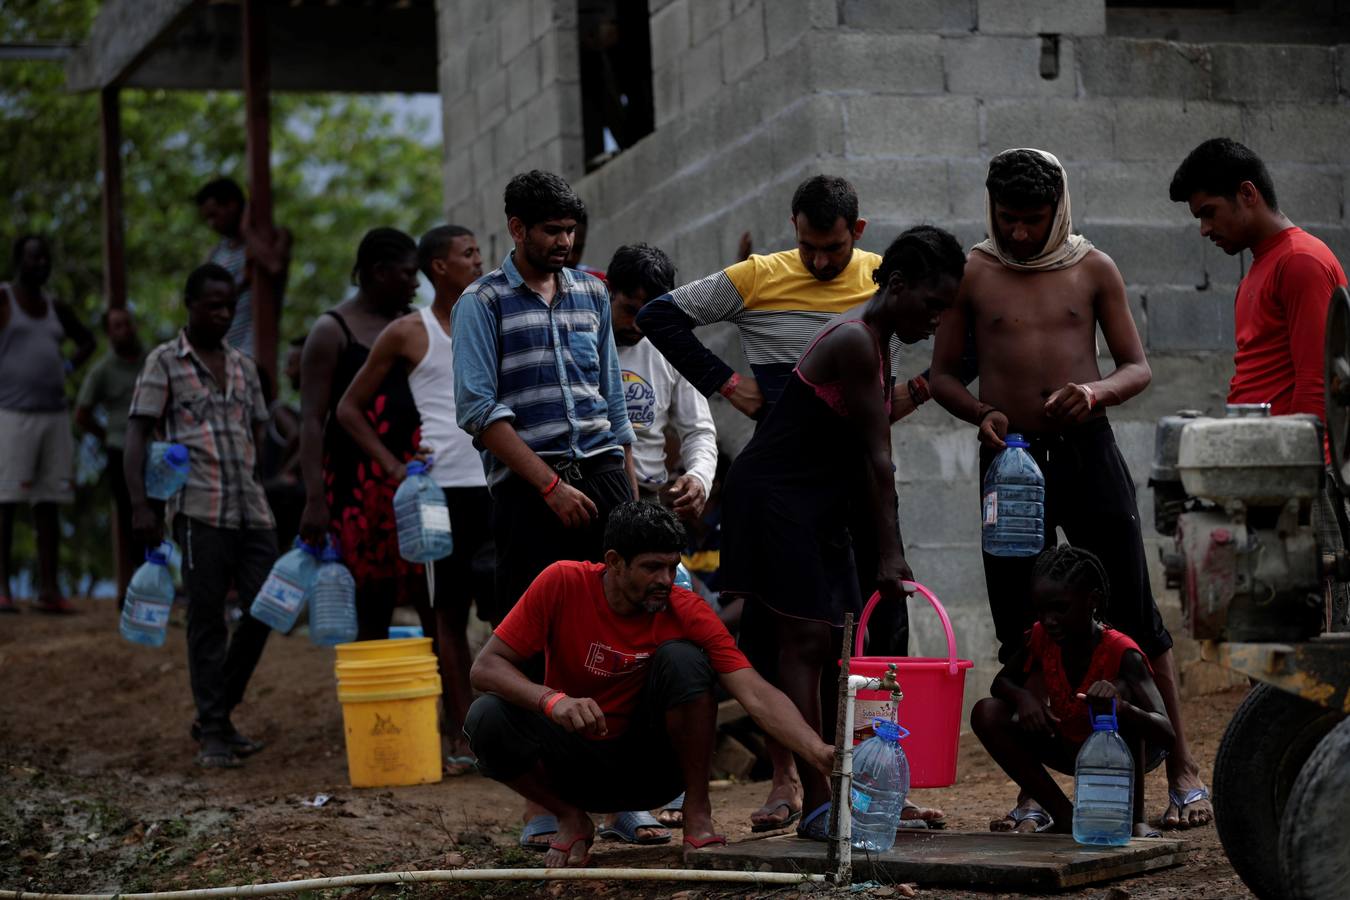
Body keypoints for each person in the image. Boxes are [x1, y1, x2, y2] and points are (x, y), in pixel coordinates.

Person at [635, 175, 932, 830]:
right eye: (808, 246)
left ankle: (870, 776)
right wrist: (725, 381)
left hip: (850, 469)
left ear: (857, 233)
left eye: (831, 247)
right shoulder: (755, 276)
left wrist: (908, 398)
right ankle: (790, 781)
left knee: (861, 630)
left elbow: (913, 378)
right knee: (789, 632)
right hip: (788, 467)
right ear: (792, 228)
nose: (820, 261)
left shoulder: (890, 283)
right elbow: (658, 315)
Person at [929, 147, 1206, 831]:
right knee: (1019, 621)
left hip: (1087, 452)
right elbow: (940, 375)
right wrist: (981, 413)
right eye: (1008, 218)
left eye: (1033, 219)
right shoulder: (973, 272)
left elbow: (1136, 368)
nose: (1020, 233)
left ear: (1060, 209)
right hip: (1010, 461)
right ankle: (1032, 795)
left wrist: (1094, 390)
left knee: (1138, 616)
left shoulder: (1092, 267)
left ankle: (1183, 770)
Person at [720, 226, 965, 840]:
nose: (937, 320)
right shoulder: (856, 340)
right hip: (777, 499)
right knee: (804, 643)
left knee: (837, 647)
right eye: (932, 305)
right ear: (899, 286)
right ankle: (819, 805)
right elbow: (876, 457)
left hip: (814, 505)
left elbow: (865, 448)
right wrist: (891, 554)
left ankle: (841, 793)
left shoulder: (875, 341)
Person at [465, 501, 835, 867]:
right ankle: (569, 817)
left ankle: (697, 811)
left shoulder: (684, 609)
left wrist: (817, 751)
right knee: (485, 716)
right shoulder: (562, 582)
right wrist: (552, 700)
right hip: (573, 769)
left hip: (652, 772)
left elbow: (755, 691)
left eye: (672, 566)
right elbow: (485, 668)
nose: (665, 580)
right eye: (651, 567)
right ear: (613, 561)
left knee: (683, 659)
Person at [451, 170, 650, 848]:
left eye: (570, 231)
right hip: (526, 489)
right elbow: (478, 411)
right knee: (533, 644)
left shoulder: (591, 293)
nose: (563, 242)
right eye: (550, 231)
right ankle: (543, 805)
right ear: (517, 229)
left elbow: (613, 403)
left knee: (625, 628)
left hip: (601, 473)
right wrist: (546, 486)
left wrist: (629, 493)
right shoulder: (482, 303)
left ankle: (626, 798)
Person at [1170, 137, 1350, 642]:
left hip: (1300, 479)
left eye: (1209, 213)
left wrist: (1300, 485)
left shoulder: (1301, 262)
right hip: (1267, 474)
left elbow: (1320, 388)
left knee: (1316, 642)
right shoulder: (1262, 265)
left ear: (1247, 193)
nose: (1205, 229)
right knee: (1267, 635)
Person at [336, 224, 491, 776]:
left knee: (509, 607)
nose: (479, 260)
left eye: (478, 252)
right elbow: (348, 409)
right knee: (446, 614)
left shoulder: (493, 318)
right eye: (468, 253)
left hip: (500, 482)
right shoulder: (408, 331)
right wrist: (397, 467)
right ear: (438, 268)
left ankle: (515, 731)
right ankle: (466, 737)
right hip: (442, 489)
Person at [124, 263, 277, 768]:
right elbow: (137, 434)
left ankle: (218, 710)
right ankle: (214, 730)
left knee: (267, 607)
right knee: (207, 616)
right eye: (212, 305)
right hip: (197, 508)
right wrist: (141, 504)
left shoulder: (243, 366)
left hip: (251, 508)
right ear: (189, 305)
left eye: (228, 305)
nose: (222, 313)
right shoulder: (164, 362)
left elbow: (258, 428)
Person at [971, 545, 1176, 837]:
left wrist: (1123, 709)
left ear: (1092, 601)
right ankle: (1064, 816)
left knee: (1118, 692)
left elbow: (1167, 733)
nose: (1050, 619)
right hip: (1069, 743)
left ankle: (1134, 819)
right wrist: (1024, 697)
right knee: (987, 712)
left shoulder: (1121, 651)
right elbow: (1001, 683)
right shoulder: (1042, 636)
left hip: (1121, 752)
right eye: (1042, 611)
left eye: (1060, 608)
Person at [298, 228, 427, 639]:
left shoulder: (410, 326)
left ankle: (441, 699)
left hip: (414, 480)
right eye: (407, 274)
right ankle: (368, 698)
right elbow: (312, 421)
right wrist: (315, 499)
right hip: (356, 488)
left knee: (430, 595)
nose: (416, 283)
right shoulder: (332, 330)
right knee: (371, 601)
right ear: (378, 272)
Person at [0, 235, 96, 614]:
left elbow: (86, 340)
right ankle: (3, 587)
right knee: (6, 501)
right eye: (32, 258)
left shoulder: (55, 306)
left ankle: (49, 589)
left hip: (54, 414)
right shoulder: (4, 298)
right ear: (18, 261)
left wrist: (67, 366)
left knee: (50, 502)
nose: (40, 264)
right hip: (12, 414)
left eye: (45, 258)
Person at [608, 243, 717, 518]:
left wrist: (699, 477)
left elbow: (698, 431)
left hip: (647, 499)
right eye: (630, 310)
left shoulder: (671, 348)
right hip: (591, 495)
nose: (637, 325)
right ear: (609, 292)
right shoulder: (584, 343)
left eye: (648, 315)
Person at [75, 306, 145, 602]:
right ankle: (134, 586)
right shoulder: (103, 370)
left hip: (156, 449)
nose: (125, 329)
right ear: (109, 333)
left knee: (162, 513)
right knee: (132, 517)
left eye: (127, 323)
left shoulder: (152, 360)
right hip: (121, 449)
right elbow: (82, 413)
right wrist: (107, 436)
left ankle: (158, 581)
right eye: (117, 325)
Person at [196, 177, 292, 357]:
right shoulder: (215, 254)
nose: (211, 224)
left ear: (232, 205)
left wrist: (246, 229)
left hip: (256, 351)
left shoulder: (277, 238)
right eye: (207, 218)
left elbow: (274, 265)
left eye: (214, 215)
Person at [260, 336, 306, 550]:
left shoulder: (276, 411)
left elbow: (298, 435)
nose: (287, 372)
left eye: (291, 364)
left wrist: (284, 472)